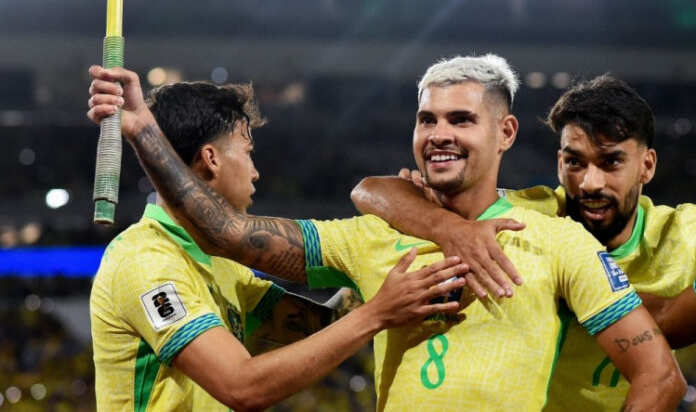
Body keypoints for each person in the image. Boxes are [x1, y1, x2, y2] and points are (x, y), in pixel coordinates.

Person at [87, 55, 686, 411]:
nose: (440, 134)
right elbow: (228, 232)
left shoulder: (556, 237)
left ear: (505, 133)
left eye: (461, 119)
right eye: (427, 119)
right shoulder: (370, 236)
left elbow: (660, 376)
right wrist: (142, 128)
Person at [88, 78, 468, 411]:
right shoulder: (146, 260)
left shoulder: (221, 260)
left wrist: (396, 235)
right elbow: (241, 387)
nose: (255, 172)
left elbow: (322, 326)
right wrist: (376, 314)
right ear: (211, 159)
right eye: (248, 152)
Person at [352, 74, 696, 410]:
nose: (590, 183)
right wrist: (446, 225)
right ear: (559, 164)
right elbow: (370, 190)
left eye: (611, 162)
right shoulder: (528, 215)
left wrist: (579, 292)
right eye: (574, 162)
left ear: (647, 166)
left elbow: (670, 328)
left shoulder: (683, 232)